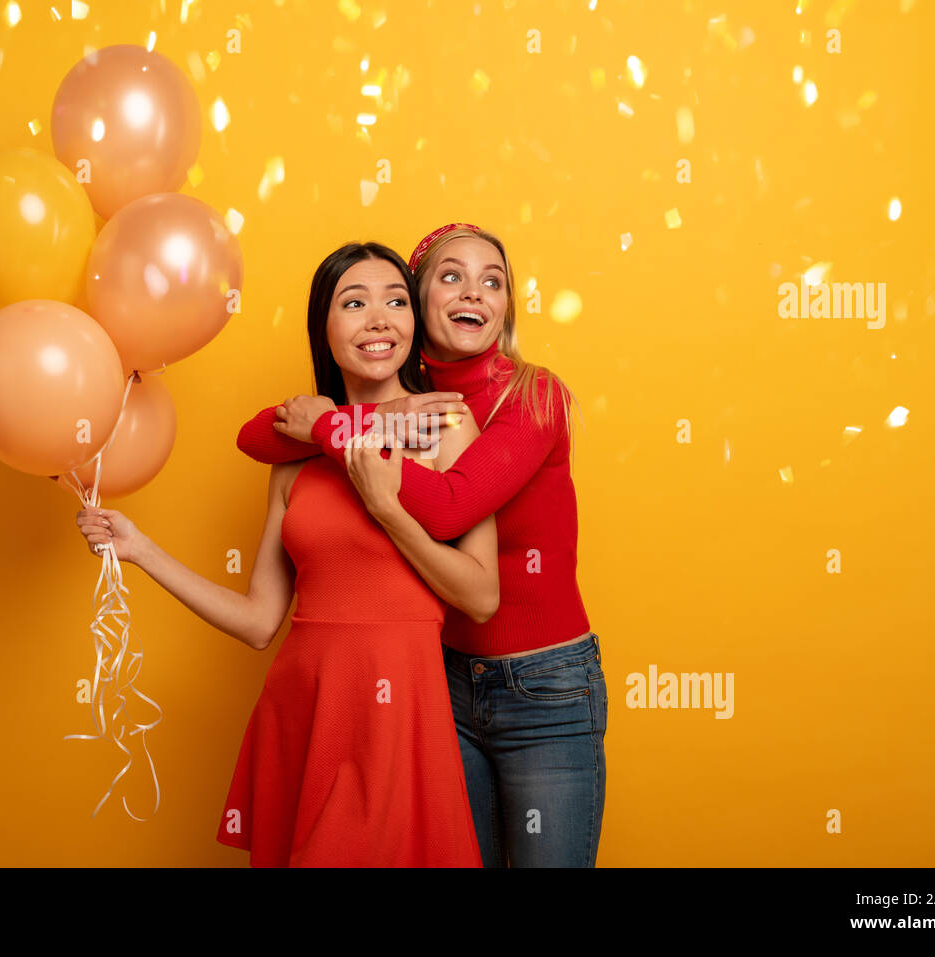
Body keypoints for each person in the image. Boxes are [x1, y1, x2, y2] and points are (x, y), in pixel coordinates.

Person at [76, 241, 495, 867]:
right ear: (324, 331)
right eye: (354, 303)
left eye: (396, 301)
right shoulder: (293, 456)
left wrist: (387, 508)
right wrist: (140, 550)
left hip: (398, 711)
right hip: (305, 709)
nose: (379, 319)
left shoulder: (446, 427)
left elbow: (481, 596)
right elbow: (257, 622)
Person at [234, 224, 606, 868]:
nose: (476, 293)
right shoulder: (399, 393)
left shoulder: (534, 394)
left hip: (544, 685)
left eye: (494, 282)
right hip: (441, 680)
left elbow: (454, 504)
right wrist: (376, 416)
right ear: (418, 299)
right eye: (452, 276)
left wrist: (332, 426)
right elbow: (257, 439)